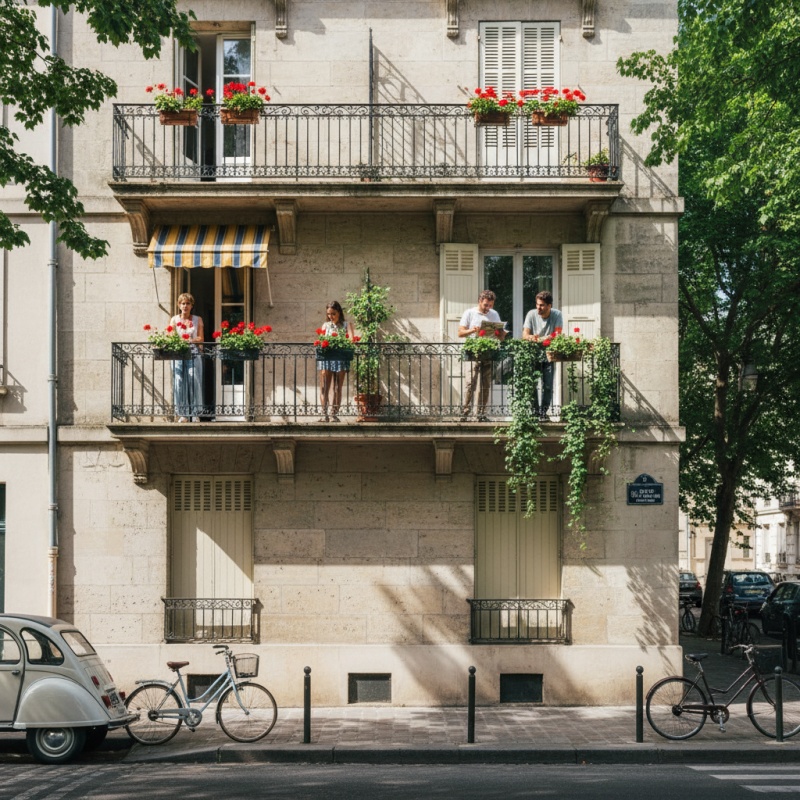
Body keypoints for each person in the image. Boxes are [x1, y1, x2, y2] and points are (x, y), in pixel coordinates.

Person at [458, 289, 507, 422]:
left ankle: (481, 413)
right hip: (472, 351)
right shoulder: (469, 313)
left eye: (490, 305)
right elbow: (460, 333)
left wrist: (502, 334)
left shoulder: (494, 314)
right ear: (480, 301)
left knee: (486, 384)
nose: (488, 308)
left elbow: (500, 336)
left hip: (488, 352)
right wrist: (473, 330)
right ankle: (465, 412)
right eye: (486, 305)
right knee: (470, 382)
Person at [522, 290, 564, 419]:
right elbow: (525, 335)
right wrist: (530, 337)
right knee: (533, 383)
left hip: (549, 354)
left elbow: (557, 334)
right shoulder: (531, 314)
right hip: (533, 353)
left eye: (542, 305)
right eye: (537, 304)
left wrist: (542, 339)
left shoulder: (557, 314)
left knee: (548, 384)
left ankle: (543, 412)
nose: (538, 308)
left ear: (549, 305)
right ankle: (535, 412)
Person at [317, 301, 355, 422]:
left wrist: (342, 342)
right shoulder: (325, 325)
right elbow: (321, 341)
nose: (331, 316)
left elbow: (351, 340)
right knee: (324, 387)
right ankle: (324, 414)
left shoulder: (346, 325)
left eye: (333, 314)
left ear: (339, 312)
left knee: (337, 387)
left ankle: (334, 414)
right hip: (327, 359)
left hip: (340, 359)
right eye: (328, 314)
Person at [171, 292, 204, 422]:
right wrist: (179, 341)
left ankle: (195, 413)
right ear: (179, 305)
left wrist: (190, 340)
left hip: (193, 353)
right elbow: (169, 336)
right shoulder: (174, 319)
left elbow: (201, 338)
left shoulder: (197, 319)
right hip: (178, 354)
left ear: (191, 305)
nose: (185, 306)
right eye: (183, 303)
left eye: (188, 303)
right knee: (179, 382)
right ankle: (183, 414)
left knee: (193, 380)